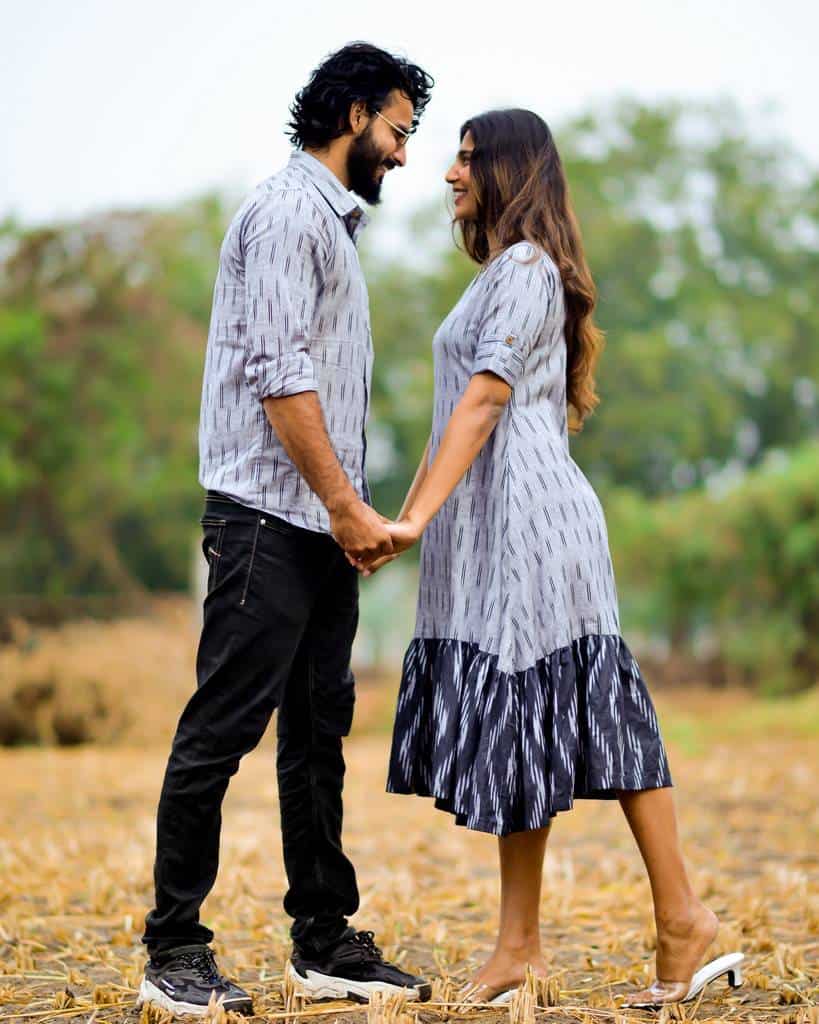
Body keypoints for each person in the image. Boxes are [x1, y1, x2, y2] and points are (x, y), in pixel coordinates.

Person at [359, 109, 742, 1009]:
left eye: (466, 158)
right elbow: (453, 413)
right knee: (520, 725)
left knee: (600, 715)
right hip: (494, 524)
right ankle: (520, 947)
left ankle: (683, 918)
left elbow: (485, 399)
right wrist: (405, 522)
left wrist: (415, 521)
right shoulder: (502, 273)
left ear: (508, 168)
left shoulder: (528, 269)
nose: (449, 173)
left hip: (534, 522)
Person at [137, 43, 434, 1018]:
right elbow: (278, 375)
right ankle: (173, 950)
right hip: (266, 520)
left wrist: (342, 512)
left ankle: (324, 940)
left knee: (317, 740)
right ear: (352, 115)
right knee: (221, 730)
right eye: (398, 131)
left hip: (318, 524)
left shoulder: (331, 226)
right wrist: (347, 506)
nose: (403, 153)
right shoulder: (284, 215)